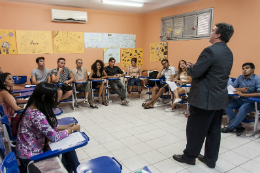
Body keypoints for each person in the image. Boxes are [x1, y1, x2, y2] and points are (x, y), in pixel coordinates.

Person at [172, 23, 234, 169]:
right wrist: (197, 67)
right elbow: (212, 72)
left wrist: (189, 68)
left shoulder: (210, 51)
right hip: (219, 98)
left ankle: (189, 157)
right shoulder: (228, 52)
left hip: (204, 99)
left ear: (218, 35)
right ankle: (210, 159)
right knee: (214, 131)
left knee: (195, 130)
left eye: (213, 31)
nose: (211, 33)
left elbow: (195, 73)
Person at [16, 82, 81, 173]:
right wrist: (71, 129)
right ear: (43, 97)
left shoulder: (32, 108)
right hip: (31, 156)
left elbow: (47, 128)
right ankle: (76, 169)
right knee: (67, 147)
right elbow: (54, 137)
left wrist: (65, 127)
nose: (54, 99)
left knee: (67, 148)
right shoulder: (36, 115)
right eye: (53, 97)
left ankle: (75, 168)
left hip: (29, 150)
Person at [222, 63, 260, 136]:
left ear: (252, 70)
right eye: (243, 68)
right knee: (226, 105)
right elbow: (231, 88)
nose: (244, 70)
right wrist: (240, 89)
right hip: (241, 100)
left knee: (243, 109)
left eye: (247, 68)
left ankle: (230, 127)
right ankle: (239, 126)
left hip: (252, 102)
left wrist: (244, 94)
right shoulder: (240, 77)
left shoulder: (257, 79)